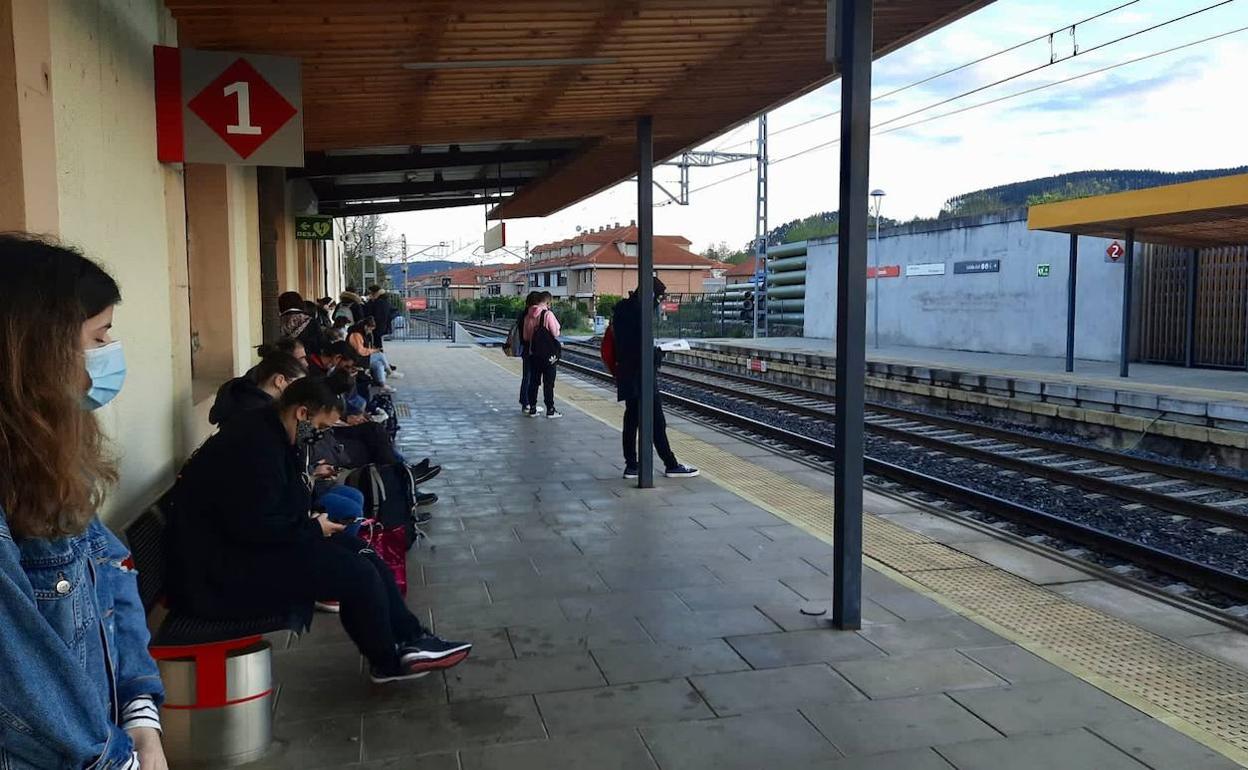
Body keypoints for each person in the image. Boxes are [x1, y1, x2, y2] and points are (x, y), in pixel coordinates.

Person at [165, 377, 469, 682]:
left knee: (363, 552)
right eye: (321, 427)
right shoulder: (256, 445)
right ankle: (387, 662)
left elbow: (270, 506)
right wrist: (312, 526)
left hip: (244, 549)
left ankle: (413, 638)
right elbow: (255, 525)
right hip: (220, 574)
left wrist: (313, 515)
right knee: (357, 575)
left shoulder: (272, 432)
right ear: (302, 413)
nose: (322, 435)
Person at [0, 234, 168, 770]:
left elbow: (109, 571)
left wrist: (141, 717)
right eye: (98, 337)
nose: (107, 356)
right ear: (33, 348)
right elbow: (22, 683)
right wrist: (119, 758)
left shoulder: (42, 458)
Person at [611, 277, 699, 480]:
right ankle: (671, 464)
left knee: (631, 419)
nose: (658, 303)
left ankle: (631, 465)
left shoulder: (623, 309)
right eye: (658, 298)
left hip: (627, 371)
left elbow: (629, 343)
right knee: (656, 420)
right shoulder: (638, 313)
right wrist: (658, 353)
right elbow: (639, 347)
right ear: (651, 296)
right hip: (641, 373)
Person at [209, 346, 306, 427]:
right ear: (279, 381)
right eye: (296, 385)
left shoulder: (242, 395)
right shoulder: (259, 414)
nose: (298, 393)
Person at [523, 292, 562, 419]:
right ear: (546, 302)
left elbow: (525, 337)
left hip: (533, 354)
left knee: (533, 382)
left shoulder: (528, 316)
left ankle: (532, 408)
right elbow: (555, 332)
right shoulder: (547, 314)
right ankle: (550, 409)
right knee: (548, 383)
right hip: (548, 355)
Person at [348, 318, 401, 388]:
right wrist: (374, 351)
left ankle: (383, 385)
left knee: (379, 364)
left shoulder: (363, 334)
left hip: (362, 358)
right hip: (357, 359)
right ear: (365, 326)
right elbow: (360, 351)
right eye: (370, 329)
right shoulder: (356, 335)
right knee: (380, 355)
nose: (370, 332)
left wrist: (373, 350)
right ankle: (389, 372)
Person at [516, 291, 542, 413]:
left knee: (526, 375)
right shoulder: (536, 314)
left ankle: (525, 401)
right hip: (534, 348)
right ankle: (529, 403)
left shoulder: (523, 314)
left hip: (525, 348)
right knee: (532, 377)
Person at [279, 290, 325, 357]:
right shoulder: (311, 322)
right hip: (307, 361)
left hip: (282, 362)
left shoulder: (276, 322)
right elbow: (320, 345)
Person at [364, 285, 396, 350]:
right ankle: (379, 354)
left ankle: (379, 356)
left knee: (376, 343)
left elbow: (374, 313)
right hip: (380, 324)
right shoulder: (383, 299)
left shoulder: (379, 301)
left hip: (377, 325)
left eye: (370, 293)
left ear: (374, 293)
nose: (369, 295)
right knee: (377, 342)